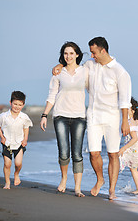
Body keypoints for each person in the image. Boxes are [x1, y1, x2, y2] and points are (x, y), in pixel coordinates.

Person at [52, 37, 131, 200]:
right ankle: (100, 179)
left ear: (103, 51)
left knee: (113, 154)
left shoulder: (120, 72)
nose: (92, 56)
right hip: (93, 116)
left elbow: (124, 100)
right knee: (94, 154)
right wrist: (60, 65)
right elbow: (73, 68)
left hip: (112, 118)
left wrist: (125, 121)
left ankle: (111, 189)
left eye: (94, 52)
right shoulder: (89, 65)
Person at [40, 42, 88, 197]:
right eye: (66, 54)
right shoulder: (58, 73)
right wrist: (44, 114)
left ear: (78, 55)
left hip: (79, 116)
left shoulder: (85, 71)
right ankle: (64, 178)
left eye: (71, 53)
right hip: (60, 115)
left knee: (77, 153)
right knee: (63, 152)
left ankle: (78, 188)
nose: (69, 56)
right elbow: (52, 95)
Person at [0, 91, 33, 189]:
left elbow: (26, 128)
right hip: (7, 143)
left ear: (23, 105)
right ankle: (7, 182)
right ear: (10, 103)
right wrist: (2, 137)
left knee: (18, 163)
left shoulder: (24, 117)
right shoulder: (4, 116)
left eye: (20, 105)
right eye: (15, 104)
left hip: (19, 143)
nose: (17, 107)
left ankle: (16, 174)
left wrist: (25, 139)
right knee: (7, 164)